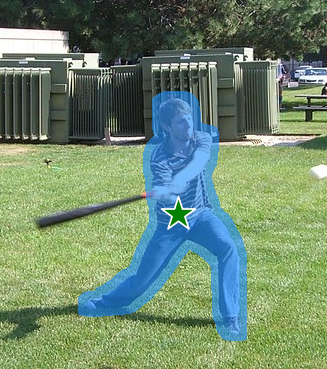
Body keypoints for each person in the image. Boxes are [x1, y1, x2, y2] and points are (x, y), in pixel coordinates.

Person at [79, 93, 247, 341]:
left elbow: (200, 160)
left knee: (228, 248)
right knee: (142, 280)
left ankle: (230, 316)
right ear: (167, 127)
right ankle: (102, 303)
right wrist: (167, 192)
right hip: (171, 223)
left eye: (189, 118)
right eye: (180, 121)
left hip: (201, 215)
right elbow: (168, 198)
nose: (188, 125)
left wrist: (180, 178)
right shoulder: (159, 156)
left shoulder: (200, 138)